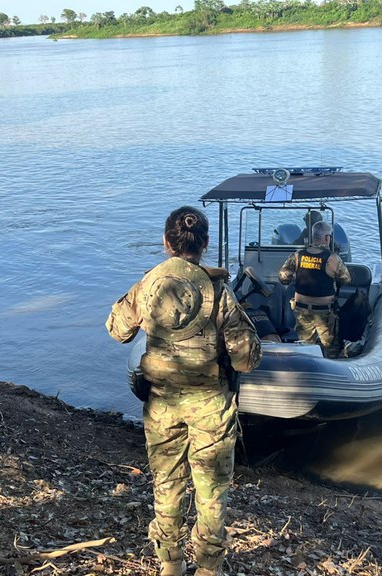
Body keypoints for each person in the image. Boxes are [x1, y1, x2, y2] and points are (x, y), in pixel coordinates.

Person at [106, 206, 262, 576]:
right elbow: (245, 359)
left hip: (162, 403)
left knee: (166, 484)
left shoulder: (149, 284)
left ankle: (170, 563)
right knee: (211, 491)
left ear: (166, 242)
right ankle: (208, 566)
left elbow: (117, 329)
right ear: (205, 244)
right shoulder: (219, 291)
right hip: (210, 406)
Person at [278, 220, 351, 358]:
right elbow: (346, 279)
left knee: (304, 349)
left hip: (302, 311)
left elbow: (283, 277)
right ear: (327, 238)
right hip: (325, 313)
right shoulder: (332, 259)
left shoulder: (298, 255)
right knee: (331, 349)